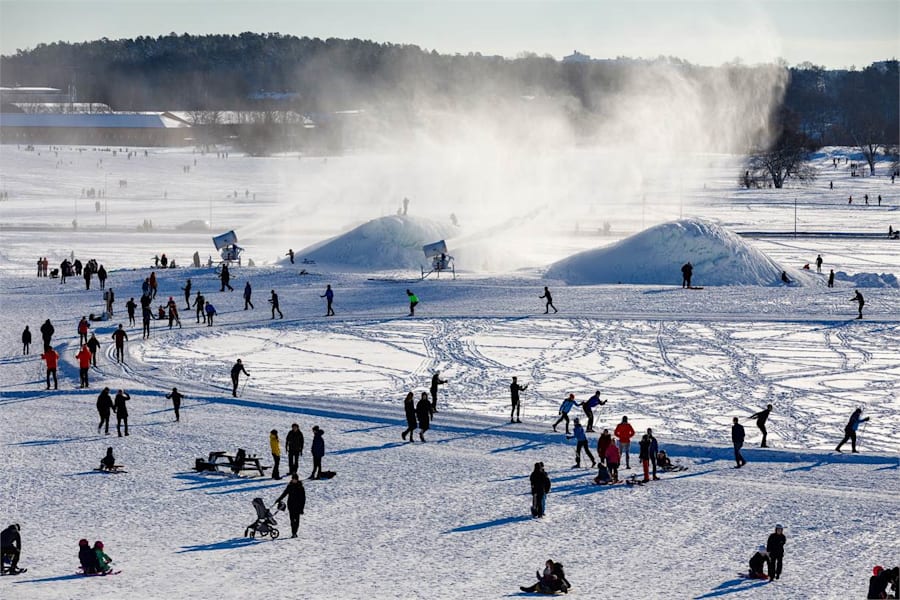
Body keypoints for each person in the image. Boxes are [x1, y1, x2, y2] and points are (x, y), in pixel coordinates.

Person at [275, 473, 306, 538]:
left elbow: (303, 499)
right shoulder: (290, 486)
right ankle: (293, 533)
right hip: (291, 505)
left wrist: (302, 508)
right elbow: (285, 493)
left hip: (298, 506)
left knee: (296, 520)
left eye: (295, 479)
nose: (293, 480)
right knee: (292, 520)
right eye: (293, 479)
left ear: (297, 479)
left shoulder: (300, 487)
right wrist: (279, 499)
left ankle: (295, 532)